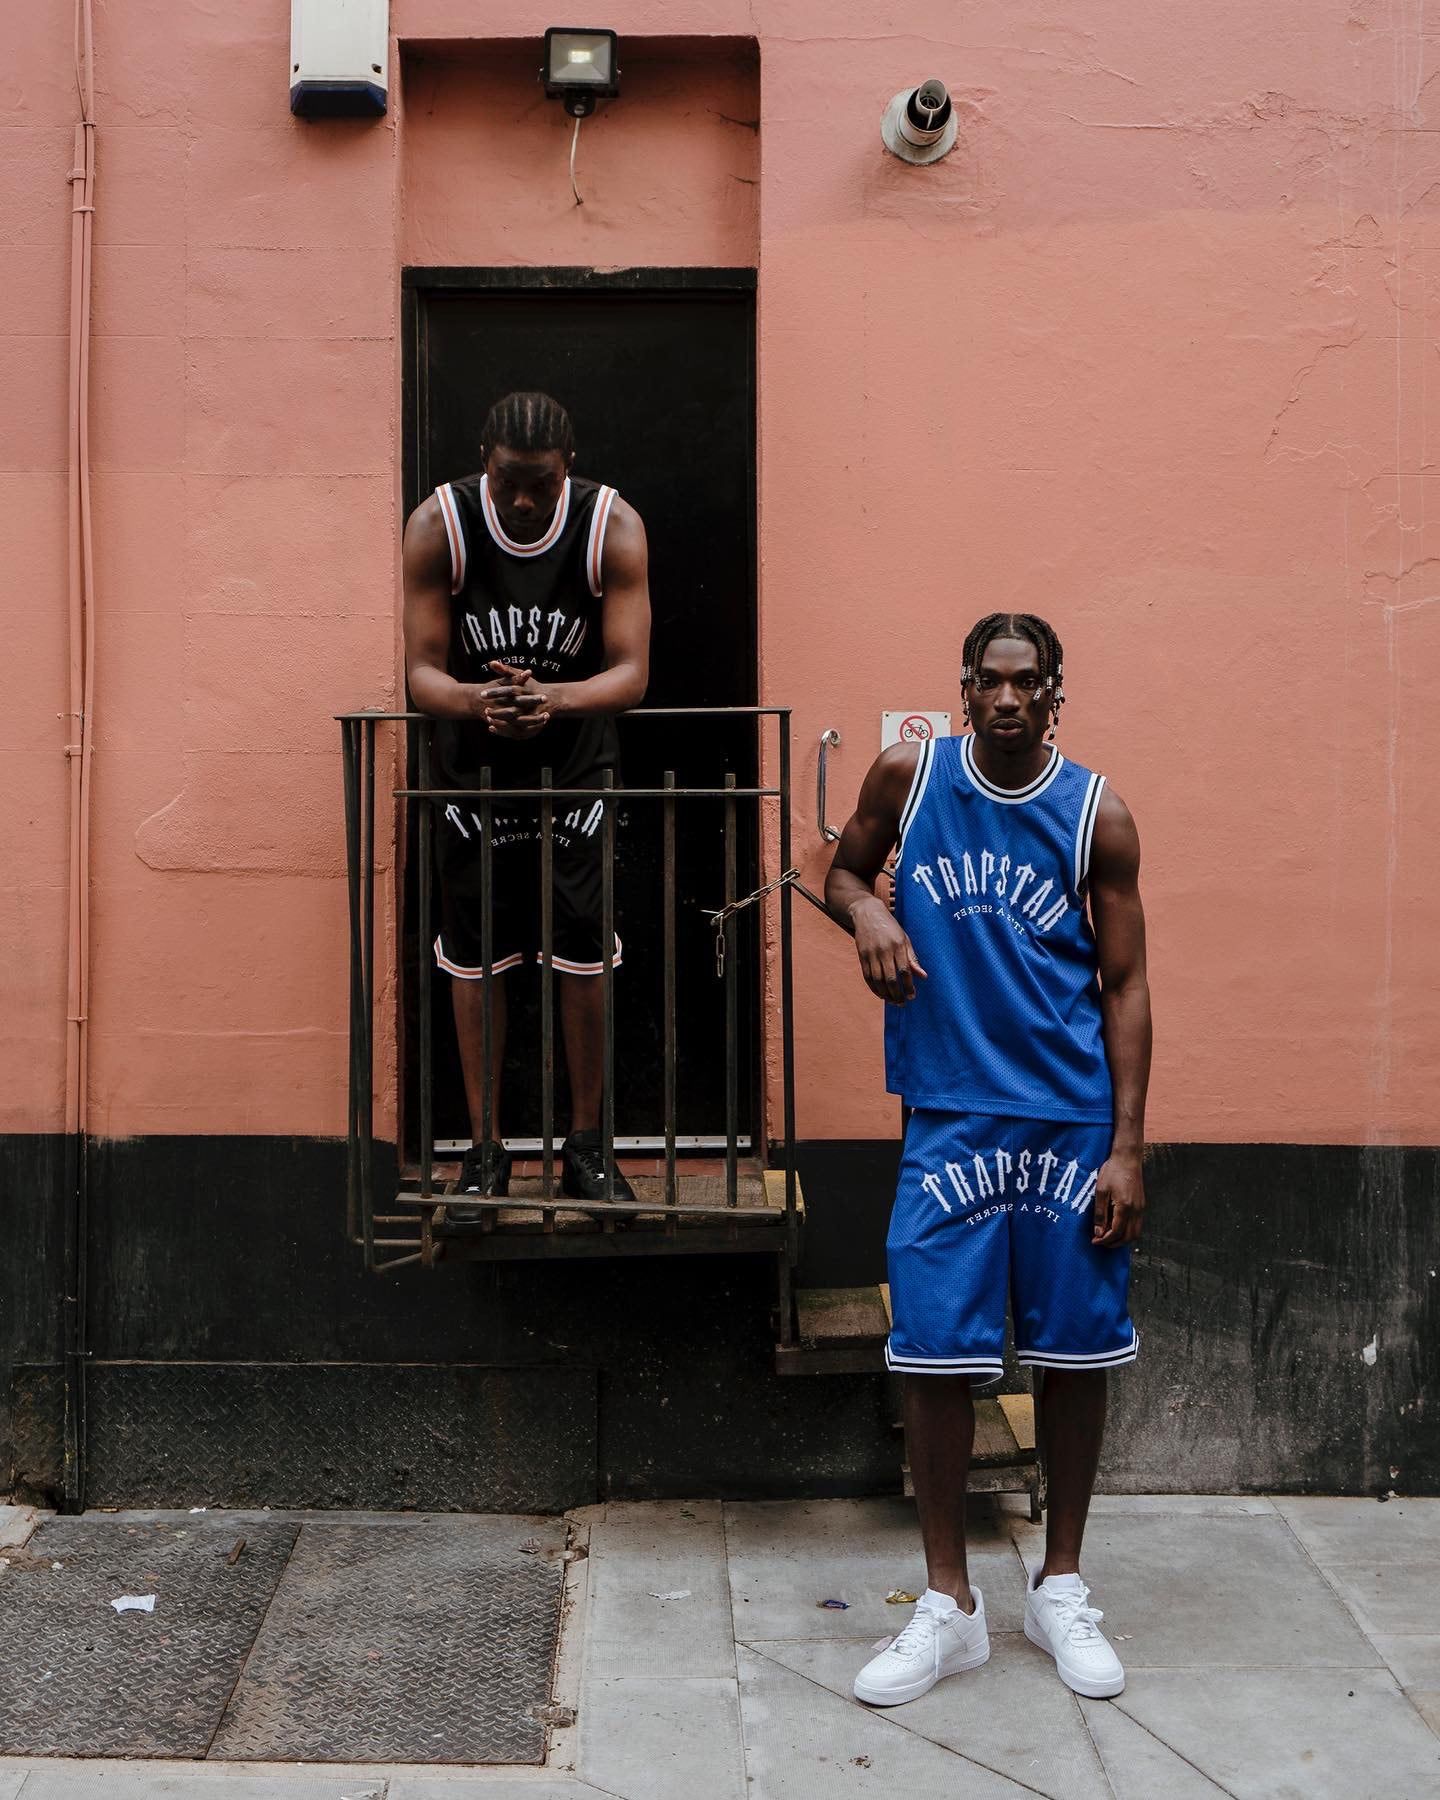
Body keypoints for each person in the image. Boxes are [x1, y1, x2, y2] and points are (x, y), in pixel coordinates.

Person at [825, 612, 1151, 1706]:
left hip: (1068, 1115)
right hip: (950, 1110)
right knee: (931, 1353)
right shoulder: (910, 776)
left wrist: (1129, 1148)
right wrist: (868, 912)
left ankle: (1061, 1585)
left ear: (1056, 693)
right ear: (963, 689)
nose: (1008, 699)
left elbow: (1126, 985)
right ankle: (949, 1605)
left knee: (1074, 1353)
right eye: (989, 681)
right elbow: (838, 869)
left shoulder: (1097, 813)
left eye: (1028, 683)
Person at [403, 391, 651, 1209]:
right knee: (476, 955)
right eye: (507, 480)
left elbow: (631, 674)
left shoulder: (611, 524)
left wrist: (551, 699)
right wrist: (479, 702)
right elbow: (422, 673)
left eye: (539, 484)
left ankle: (587, 1147)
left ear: (567, 468)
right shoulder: (438, 523)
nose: (520, 500)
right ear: (484, 462)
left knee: (583, 951)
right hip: (472, 773)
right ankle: (484, 1152)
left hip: (574, 770)